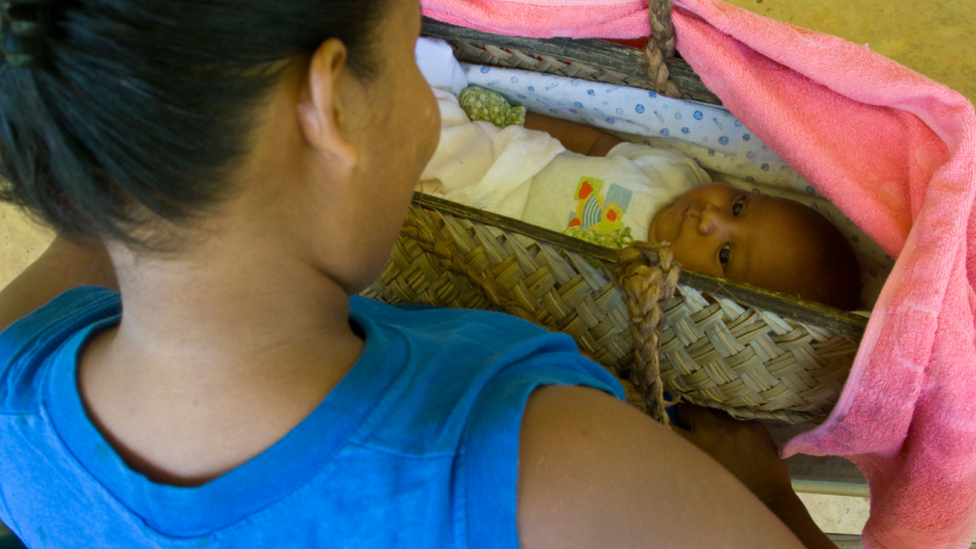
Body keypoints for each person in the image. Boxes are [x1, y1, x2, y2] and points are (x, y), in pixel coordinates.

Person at [0, 0, 837, 548]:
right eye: (410, 50)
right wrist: (769, 500)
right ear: (329, 106)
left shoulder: (14, 376)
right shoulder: (552, 455)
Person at [421, 85, 861, 310]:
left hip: (483, 242)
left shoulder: (652, 293)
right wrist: (514, 115)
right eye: (739, 206)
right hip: (508, 162)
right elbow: (594, 144)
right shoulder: (678, 173)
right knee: (427, 115)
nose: (710, 219)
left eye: (725, 253)